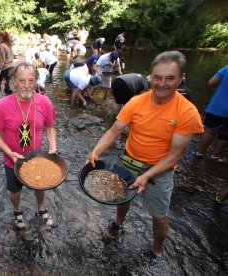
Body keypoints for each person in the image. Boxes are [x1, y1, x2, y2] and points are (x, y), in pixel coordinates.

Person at [86, 51, 203, 259]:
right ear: (150, 76)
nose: (162, 83)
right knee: (122, 197)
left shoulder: (187, 112)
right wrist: (97, 150)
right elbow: (114, 130)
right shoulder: (136, 102)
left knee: (159, 216)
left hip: (160, 170)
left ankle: (156, 249)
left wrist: (147, 175)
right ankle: (118, 222)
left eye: (170, 78)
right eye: (157, 77)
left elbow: (175, 156)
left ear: (181, 79)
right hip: (129, 159)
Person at [0, 62, 57, 230]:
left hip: (37, 158)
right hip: (12, 160)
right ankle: (17, 211)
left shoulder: (44, 102)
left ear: (36, 82)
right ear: (13, 82)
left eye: (31, 81)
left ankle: (41, 207)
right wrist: (9, 152)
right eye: (22, 80)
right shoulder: (2, 105)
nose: (27, 86)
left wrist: (53, 145)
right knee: (15, 191)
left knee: (40, 186)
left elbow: (50, 127)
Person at [195, 64, 228, 162]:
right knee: (225, 135)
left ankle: (200, 153)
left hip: (217, 107)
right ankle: (215, 157)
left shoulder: (226, 68)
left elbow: (211, 82)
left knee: (209, 132)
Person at [0, 30, 14, 104]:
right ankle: (10, 97)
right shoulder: (8, 44)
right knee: (8, 82)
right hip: (11, 66)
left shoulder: (1, 46)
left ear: (1, 37)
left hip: (4, 66)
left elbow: (2, 60)